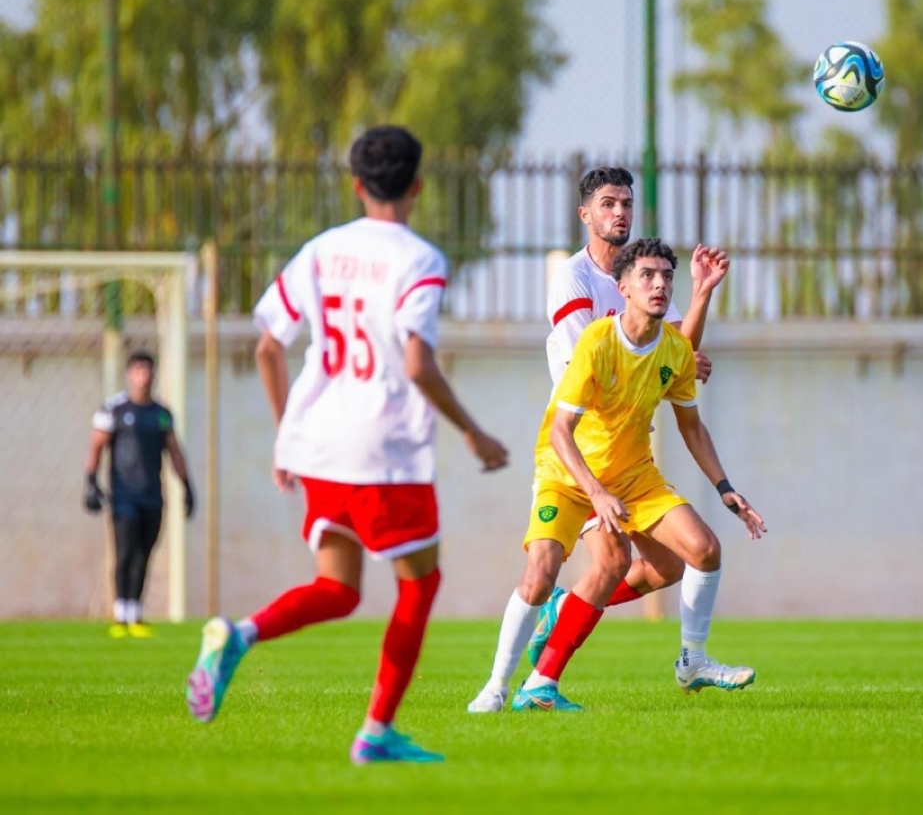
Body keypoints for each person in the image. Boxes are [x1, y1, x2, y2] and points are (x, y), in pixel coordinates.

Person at [185, 125, 508, 765]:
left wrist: (288, 434)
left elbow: (268, 345)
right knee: (420, 584)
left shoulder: (320, 251)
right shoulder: (420, 260)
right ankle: (376, 732)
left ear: (357, 185)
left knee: (339, 587)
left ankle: (239, 636)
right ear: (417, 187)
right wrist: (474, 432)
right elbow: (416, 364)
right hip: (385, 450)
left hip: (320, 445)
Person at [468, 167, 730, 712]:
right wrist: (662, 369)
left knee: (666, 567)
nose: (620, 212)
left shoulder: (643, 274)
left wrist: (697, 307)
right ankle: (508, 686)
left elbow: (672, 351)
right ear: (585, 214)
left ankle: (551, 649)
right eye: (608, 203)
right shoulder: (574, 279)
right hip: (581, 450)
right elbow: (586, 368)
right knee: (583, 565)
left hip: (627, 453)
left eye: (626, 203)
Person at [509, 237, 765, 710]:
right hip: (582, 464)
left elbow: (678, 374)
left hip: (633, 468)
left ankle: (689, 661)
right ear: (622, 285)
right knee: (609, 563)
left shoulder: (664, 335)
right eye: (608, 204)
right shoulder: (577, 288)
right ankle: (535, 683)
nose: (659, 283)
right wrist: (595, 489)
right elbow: (590, 381)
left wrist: (725, 487)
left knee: (688, 558)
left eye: (667, 276)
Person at [84, 350, 195, 638]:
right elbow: (96, 445)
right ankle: (120, 615)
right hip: (123, 496)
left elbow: (174, 451)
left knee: (144, 552)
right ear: (129, 375)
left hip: (153, 496)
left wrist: (187, 486)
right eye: (138, 371)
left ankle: (135, 613)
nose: (143, 377)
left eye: (147, 371)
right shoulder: (114, 409)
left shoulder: (161, 414)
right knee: (125, 551)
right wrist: (90, 482)